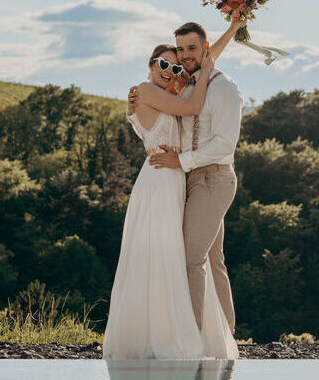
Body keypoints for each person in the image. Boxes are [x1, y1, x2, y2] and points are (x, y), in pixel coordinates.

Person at [103, 20, 241, 359]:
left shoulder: (176, 89)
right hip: (164, 177)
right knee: (178, 258)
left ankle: (221, 335)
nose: (171, 67)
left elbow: (205, 59)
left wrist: (235, 25)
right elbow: (197, 92)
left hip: (185, 176)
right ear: (151, 66)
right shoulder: (149, 92)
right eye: (163, 63)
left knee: (205, 257)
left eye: (175, 63)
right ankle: (182, 335)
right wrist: (204, 67)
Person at [137, 17, 245, 337]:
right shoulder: (188, 86)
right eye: (180, 49)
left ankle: (192, 337)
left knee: (189, 258)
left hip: (213, 179)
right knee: (212, 258)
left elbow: (225, 143)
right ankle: (226, 334)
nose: (185, 55)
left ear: (205, 49)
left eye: (191, 48)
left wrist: (180, 161)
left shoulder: (224, 87)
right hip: (189, 179)